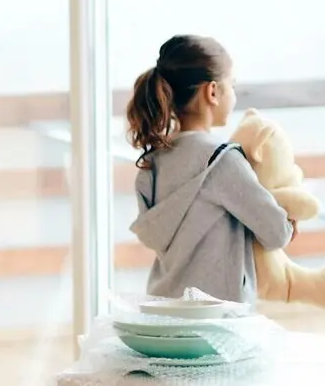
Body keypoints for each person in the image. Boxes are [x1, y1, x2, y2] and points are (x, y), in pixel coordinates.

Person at [127, 34, 296, 303]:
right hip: (215, 321)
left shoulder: (153, 162)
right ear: (213, 92)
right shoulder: (222, 161)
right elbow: (277, 233)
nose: (234, 95)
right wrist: (289, 218)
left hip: (164, 313)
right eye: (232, 86)